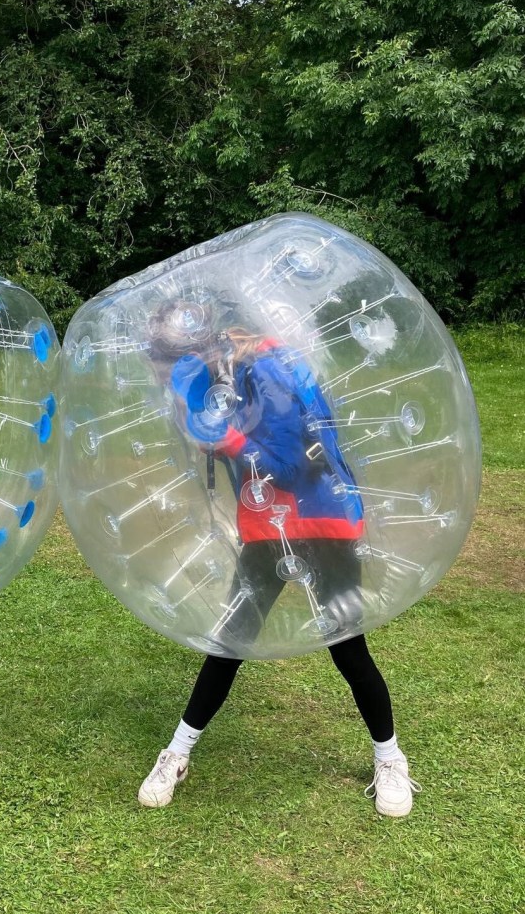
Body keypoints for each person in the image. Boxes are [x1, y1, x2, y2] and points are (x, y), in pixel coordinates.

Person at [137, 300, 421, 817]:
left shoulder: (268, 371)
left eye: (169, 368)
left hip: (323, 522)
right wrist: (214, 436)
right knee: (230, 642)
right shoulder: (223, 379)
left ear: (199, 350)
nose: (170, 384)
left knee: (347, 647)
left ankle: (390, 760)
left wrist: (225, 437)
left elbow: (288, 467)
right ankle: (176, 754)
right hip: (267, 529)